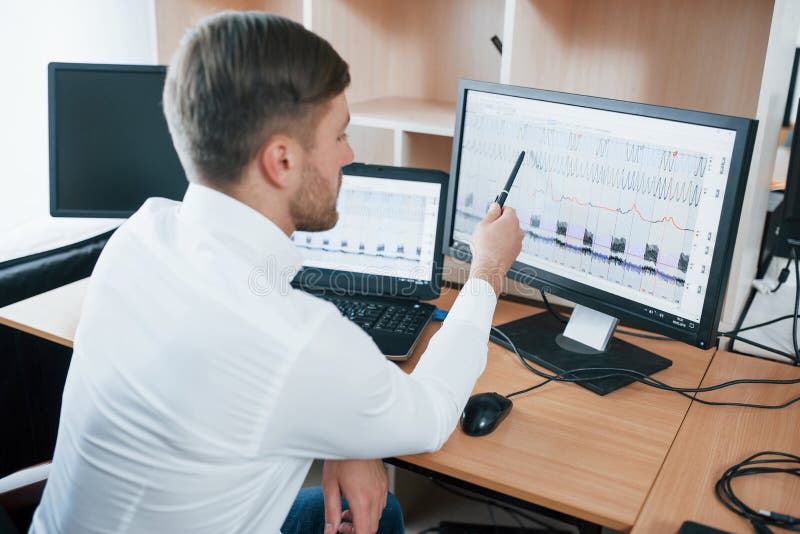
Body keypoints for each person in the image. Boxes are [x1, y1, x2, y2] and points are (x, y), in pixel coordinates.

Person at [31, 11, 523, 534]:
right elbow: (428, 419)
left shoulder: (141, 235)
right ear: (282, 160)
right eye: (339, 136)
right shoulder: (293, 340)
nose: (350, 156)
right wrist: (487, 271)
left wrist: (344, 426)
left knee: (381, 514)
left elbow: (255, 320)